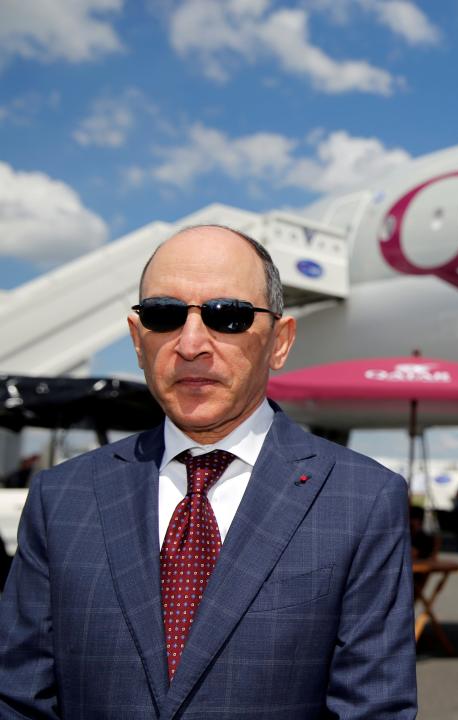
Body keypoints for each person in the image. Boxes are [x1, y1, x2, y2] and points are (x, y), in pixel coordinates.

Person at [0, 226, 417, 718]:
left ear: (280, 342)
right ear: (138, 340)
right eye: (164, 315)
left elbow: (373, 708)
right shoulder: (60, 496)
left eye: (229, 316)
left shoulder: (363, 499)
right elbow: (19, 696)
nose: (191, 343)